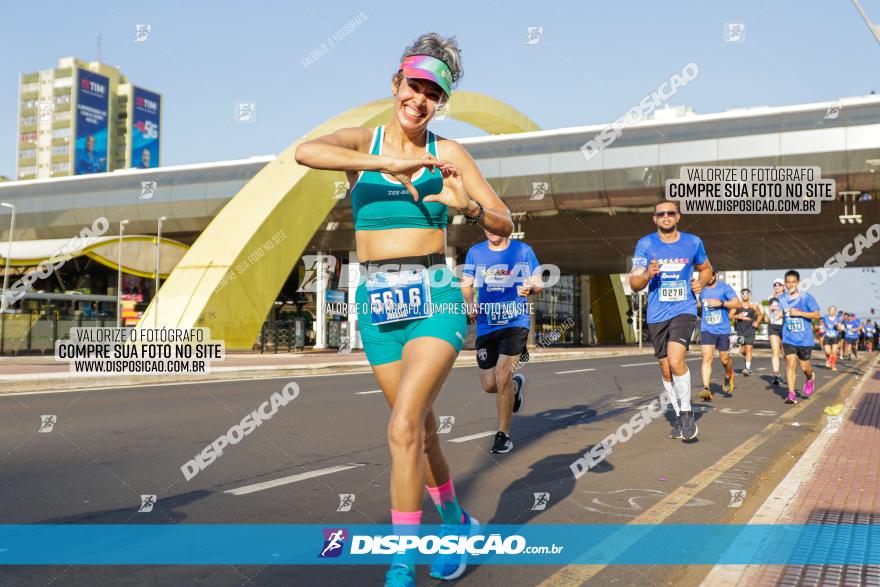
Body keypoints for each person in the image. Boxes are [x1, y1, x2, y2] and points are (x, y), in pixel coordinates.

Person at [294, 33, 514, 586]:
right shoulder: (361, 142)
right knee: (420, 431)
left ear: (440, 102)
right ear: (396, 85)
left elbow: (504, 222)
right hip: (376, 303)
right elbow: (305, 152)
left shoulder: (448, 153)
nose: (420, 99)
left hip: (434, 295)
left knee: (400, 427)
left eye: (432, 93)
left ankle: (401, 563)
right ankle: (458, 522)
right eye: (413, 85)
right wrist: (386, 163)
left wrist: (464, 205)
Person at [629, 200, 712, 441]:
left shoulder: (693, 242)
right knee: (666, 370)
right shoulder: (645, 244)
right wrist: (647, 274)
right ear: (655, 218)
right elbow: (634, 284)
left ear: (678, 216)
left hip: (683, 309)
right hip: (657, 313)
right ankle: (678, 415)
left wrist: (702, 282)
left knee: (676, 361)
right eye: (660, 213)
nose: (666, 216)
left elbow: (706, 268)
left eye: (670, 213)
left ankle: (686, 413)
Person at [461, 230, 542, 454]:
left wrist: (530, 289)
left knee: (503, 375)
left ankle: (503, 435)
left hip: (515, 322)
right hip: (487, 323)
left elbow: (539, 283)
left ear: (506, 227)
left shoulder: (523, 250)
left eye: (496, 226)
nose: (490, 231)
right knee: (489, 385)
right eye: (486, 226)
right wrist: (469, 302)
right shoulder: (475, 252)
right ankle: (515, 387)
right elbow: (466, 284)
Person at [696, 270, 741, 401]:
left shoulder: (724, 288)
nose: (709, 277)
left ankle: (728, 375)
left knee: (724, 359)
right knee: (706, 358)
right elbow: (699, 303)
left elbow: (737, 303)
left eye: (712, 275)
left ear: (715, 275)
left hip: (723, 329)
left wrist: (721, 303)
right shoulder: (701, 289)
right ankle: (706, 388)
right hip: (707, 329)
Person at [778, 270, 821, 404]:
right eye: (788, 282)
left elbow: (817, 315)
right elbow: (780, 316)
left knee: (804, 368)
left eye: (793, 282)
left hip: (804, 339)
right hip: (788, 338)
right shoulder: (782, 299)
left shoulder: (806, 297)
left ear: (798, 283)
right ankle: (791, 394)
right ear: (785, 283)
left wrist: (799, 313)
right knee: (790, 363)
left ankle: (810, 378)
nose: (790, 285)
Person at [732, 288, 763, 376]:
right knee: (742, 350)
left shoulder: (753, 306)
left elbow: (760, 315)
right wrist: (738, 316)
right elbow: (730, 315)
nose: (745, 295)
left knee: (749, 349)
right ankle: (747, 360)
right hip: (740, 331)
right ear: (741, 295)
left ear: (749, 295)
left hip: (750, 330)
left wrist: (757, 322)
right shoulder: (738, 306)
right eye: (743, 293)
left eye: (747, 293)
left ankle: (747, 368)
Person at [764, 279, 786, 385]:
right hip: (773, 326)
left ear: (783, 286)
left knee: (786, 353)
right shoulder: (770, 297)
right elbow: (770, 311)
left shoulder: (787, 297)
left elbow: (788, 310)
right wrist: (767, 316)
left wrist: (781, 314)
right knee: (775, 351)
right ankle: (776, 375)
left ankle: (788, 372)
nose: (777, 286)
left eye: (779, 284)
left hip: (785, 326)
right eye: (775, 285)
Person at [820, 305, 842, 371]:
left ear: (835, 311)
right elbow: (821, 323)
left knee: (834, 351)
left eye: (833, 310)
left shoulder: (838, 319)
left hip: (835, 336)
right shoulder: (825, 317)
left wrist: (837, 326)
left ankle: (833, 366)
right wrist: (823, 328)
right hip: (827, 336)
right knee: (827, 352)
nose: (832, 312)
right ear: (828, 311)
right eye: (830, 310)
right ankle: (828, 358)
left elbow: (840, 329)